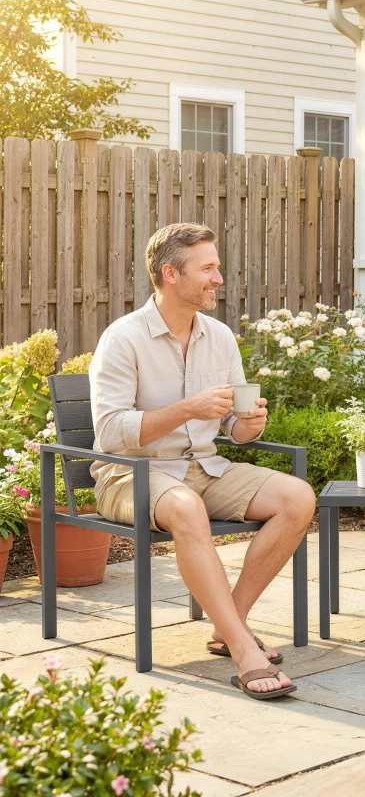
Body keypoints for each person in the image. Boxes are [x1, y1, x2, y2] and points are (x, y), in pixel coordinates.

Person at [90, 222, 315, 702]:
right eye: (208, 269)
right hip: (131, 474)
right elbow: (110, 434)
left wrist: (247, 426)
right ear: (171, 274)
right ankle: (241, 647)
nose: (218, 279)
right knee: (187, 507)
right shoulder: (123, 339)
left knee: (297, 497)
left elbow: (233, 425)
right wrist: (187, 408)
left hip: (204, 467)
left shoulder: (219, 337)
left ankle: (224, 625)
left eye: (217, 267)